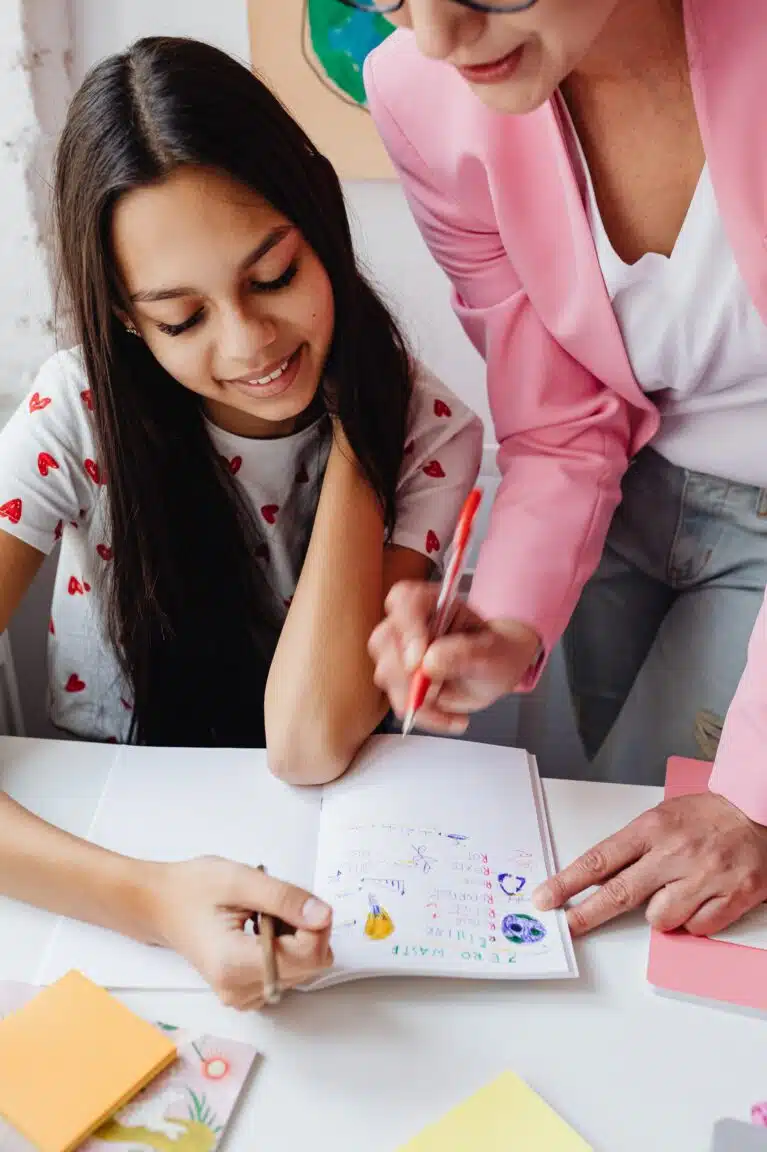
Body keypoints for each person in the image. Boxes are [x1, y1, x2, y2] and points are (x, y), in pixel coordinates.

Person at [0, 35, 482, 1006]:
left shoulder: (428, 430)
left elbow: (308, 740)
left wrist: (360, 432)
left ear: (319, 219)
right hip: (100, 858)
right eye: (181, 319)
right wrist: (152, 901)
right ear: (130, 321)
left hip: (321, 861)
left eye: (273, 276)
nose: (251, 342)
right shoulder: (73, 416)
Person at [362, 0, 767, 938]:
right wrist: (504, 623)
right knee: (558, 822)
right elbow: (557, 420)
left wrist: (752, 798)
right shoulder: (419, 91)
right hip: (628, 491)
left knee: (683, 885)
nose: (434, 38)